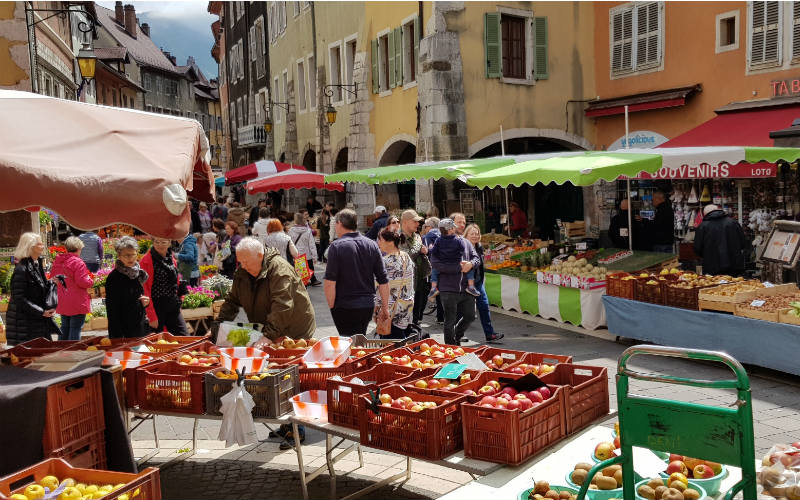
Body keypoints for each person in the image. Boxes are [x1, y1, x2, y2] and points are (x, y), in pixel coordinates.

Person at [216, 237, 315, 450]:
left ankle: (297, 428)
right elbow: (232, 301)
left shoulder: (280, 269)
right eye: (240, 262)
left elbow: (283, 305)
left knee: (290, 376)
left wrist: (268, 335)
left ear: (260, 256)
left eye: (246, 262)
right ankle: (284, 422)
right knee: (273, 375)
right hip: (269, 327)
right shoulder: (243, 272)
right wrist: (216, 328)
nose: (242, 266)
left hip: (294, 329)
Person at [324, 209, 390, 336]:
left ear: (339, 223)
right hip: (366, 304)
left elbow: (330, 282)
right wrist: (385, 307)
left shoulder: (336, 246)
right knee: (359, 340)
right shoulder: (372, 244)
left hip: (344, 305)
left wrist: (332, 306)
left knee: (348, 342)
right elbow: (383, 279)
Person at [430, 219, 481, 345]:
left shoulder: (466, 242)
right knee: (449, 321)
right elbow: (435, 263)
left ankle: (457, 334)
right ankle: (450, 347)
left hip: (466, 288)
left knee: (470, 316)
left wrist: (470, 264)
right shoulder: (440, 243)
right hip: (448, 288)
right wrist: (457, 268)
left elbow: (476, 258)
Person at [5, 233, 59, 345]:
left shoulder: (36, 264)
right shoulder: (22, 269)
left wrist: (52, 283)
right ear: (31, 247)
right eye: (40, 243)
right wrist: (41, 312)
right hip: (25, 326)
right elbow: (19, 298)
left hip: (35, 322)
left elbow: (38, 287)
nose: (43, 246)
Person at [464, 224, 504, 342]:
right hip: (464, 283)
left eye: (477, 234)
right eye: (472, 234)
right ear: (466, 235)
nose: (475, 236)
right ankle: (459, 333)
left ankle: (489, 334)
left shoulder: (479, 247)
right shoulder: (463, 247)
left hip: (478, 282)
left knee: (484, 306)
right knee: (465, 311)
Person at [140, 237, 187, 335]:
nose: (159, 245)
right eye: (156, 242)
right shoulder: (146, 261)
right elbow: (145, 289)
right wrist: (151, 316)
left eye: (163, 242)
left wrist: (180, 299)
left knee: (183, 336)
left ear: (169, 243)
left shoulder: (170, 258)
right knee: (156, 343)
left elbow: (176, 282)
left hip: (173, 305)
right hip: (156, 306)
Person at [105, 236, 150, 338]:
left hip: (139, 327)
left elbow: (137, 298)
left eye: (133, 254)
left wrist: (145, 303)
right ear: (119, 256)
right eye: (127, 255)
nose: (131, 258)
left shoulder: (138, 274)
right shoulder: (114, 278)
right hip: (123, 331)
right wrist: (117, 336)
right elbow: (112, 310)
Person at [51, 236, 93, 341]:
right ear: (78, 248)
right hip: (77, 301)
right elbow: (82, 281)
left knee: (64, 327)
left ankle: (61, 351)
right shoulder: (78, 262)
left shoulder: (58, 262)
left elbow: (53, 278)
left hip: (62, 299)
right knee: (75, 328)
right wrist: (91, 281)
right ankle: (73, 352)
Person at [375, 229, 415, 339]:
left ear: (390, 242)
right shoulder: (406, 256)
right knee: (401, 334)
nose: (378, 243)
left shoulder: (384, 261)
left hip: (390, 307)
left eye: (381, 240)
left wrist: (378, 308)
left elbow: (379, 288)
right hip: (407, 304)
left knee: (392, 342)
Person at [428, 219, 480, 299]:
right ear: (450, 229)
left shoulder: (438, 240)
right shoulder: (458, 241)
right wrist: (459, 267)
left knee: (434, 272)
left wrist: (471, 264)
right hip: (448, 290)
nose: (458, 227)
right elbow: (462, 249)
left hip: (464, 292)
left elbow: (476, 259)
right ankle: (471, 286)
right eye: (455, 226)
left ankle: (433, 288)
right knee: (469, 271)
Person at [694, 204, 747, 276]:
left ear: (705, 214)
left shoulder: (703, 226)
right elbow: (743, 243)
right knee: (733, 286)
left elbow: (697, 248)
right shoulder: (733, 223)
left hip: (711, 266)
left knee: (713, 286)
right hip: (733, 266)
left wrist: (707, 256)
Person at [398, 210, 431, 327]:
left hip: (421, 279)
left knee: (417, 315)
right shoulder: (398, 237)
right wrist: (419, 247)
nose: (418, 224)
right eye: (415, 221)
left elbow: (421, 251)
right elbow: (407, 256)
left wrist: (425, 250)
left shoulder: (417, 236)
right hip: (406, 282)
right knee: (407, 316)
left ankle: (415, 336)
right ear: (405, 222)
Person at [421, 217, 444, 324]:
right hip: (445, 266)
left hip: (433, 266)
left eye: (425, 226)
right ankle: (442, 316)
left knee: (437, 290)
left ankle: (440, 317)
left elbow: (425, 251)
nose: (424, 228)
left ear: (430, 227)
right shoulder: (443, 233)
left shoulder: (428, 236)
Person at [289, 213, 320, 286]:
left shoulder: (291, 231)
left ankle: (299, 287)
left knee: (297, 274)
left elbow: (289, 244)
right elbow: (312, 245)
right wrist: (315, 257)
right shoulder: (308, 231)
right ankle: (307, 285)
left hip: (296, 255)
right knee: (307, 274)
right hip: (307, 256)